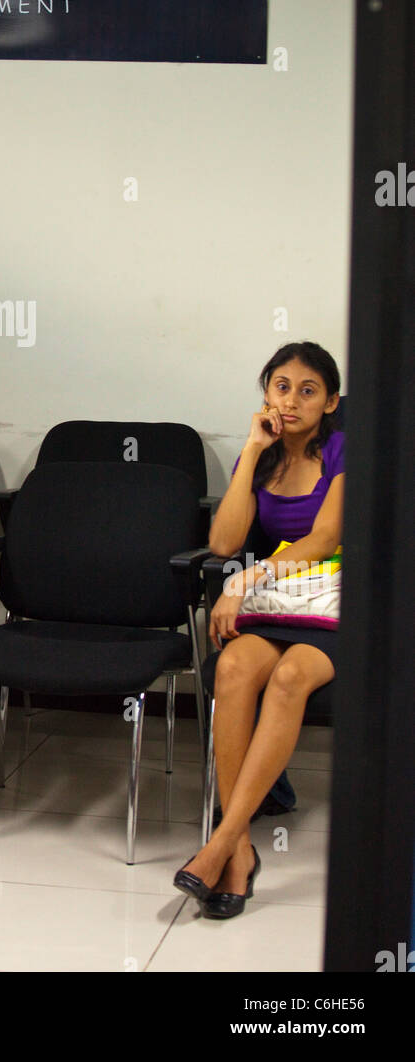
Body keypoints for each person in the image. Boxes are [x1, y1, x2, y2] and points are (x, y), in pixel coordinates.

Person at [174, 341, 343, 918]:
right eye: (280, 386)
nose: (291, 400)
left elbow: (323, 540)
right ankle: (242, 850)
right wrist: (250, 450)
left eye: (307, 390)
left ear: (331, 401)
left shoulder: (346, 449)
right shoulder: (265, 456)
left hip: (337, 605)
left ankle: (223, 841)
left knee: (292, 674)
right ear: (265, 393)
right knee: (234, 665)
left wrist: (243, 582)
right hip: (280, 603)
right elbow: (223, 543)